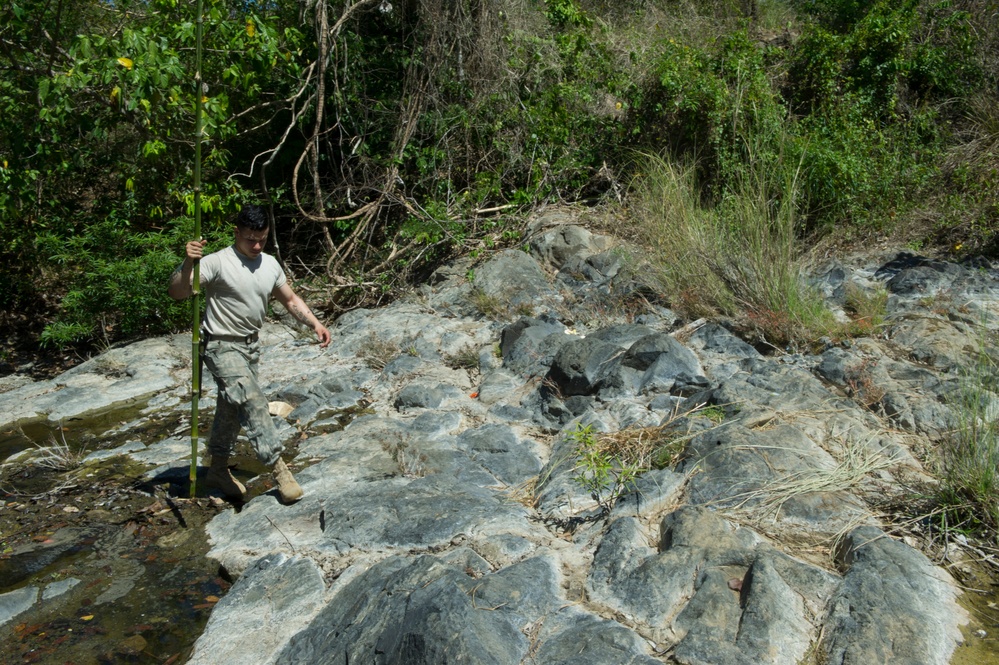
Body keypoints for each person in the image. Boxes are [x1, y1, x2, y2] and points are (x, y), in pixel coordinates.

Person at [168, 205, 331, 503]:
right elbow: (178, 292)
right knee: (252, 399)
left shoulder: (269, 264)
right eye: (249, 239)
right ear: (236, 233)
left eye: (262, 239)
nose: (256, 245)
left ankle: (217, 468)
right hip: (220, 344)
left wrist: (315, 323)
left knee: (231, 407)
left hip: (251, 346)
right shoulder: (217, 262)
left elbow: (290, 298)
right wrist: (188, 263)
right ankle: (280, 470)